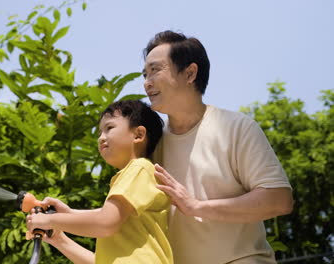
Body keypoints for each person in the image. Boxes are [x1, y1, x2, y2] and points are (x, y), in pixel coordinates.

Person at [142, 30, 294, 263]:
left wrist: (197, 207)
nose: (146, 83)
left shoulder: (237, 128)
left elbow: (279, 199)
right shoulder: (150, 145)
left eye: (155, 70)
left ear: (190, 73)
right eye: (144, 74)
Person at [26, 100, 173, 264]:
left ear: (138, 135)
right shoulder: (131, 180)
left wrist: (50, 220)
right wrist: (61, 233)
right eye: (99, 133)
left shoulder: (139, 168)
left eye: (109, 128)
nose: (101, 138)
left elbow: (105, 223)